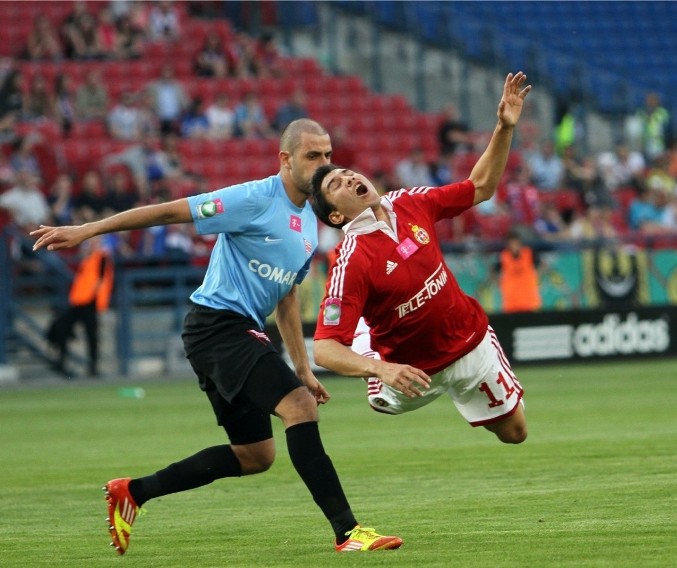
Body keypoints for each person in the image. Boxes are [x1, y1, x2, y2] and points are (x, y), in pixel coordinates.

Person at [30, 118, 402, 555]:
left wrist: (302, 366)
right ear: (285, 159)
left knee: (255, 455)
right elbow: (171, 210)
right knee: (298, 409)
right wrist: (86, 230)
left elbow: (286, 294)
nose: (324, 164)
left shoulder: (310, 216)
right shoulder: (254, 198)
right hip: (216, 325)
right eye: (312, 156)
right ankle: (348, 532)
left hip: (239, 329)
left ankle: (133, 492)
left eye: (327, 154)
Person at [309, 72, 530, 445]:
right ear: (335, 216)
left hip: (468, 341)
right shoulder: (351, 260)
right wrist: (381, 368)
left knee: (515, 434)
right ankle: (370, 342)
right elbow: (325, 349)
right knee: (379, 392)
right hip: (411, 373)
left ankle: (372, 333)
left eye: (348, 174)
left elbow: (480, 187)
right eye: (336, 185)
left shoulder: (409, 201)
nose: (348, 179)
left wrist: (504, 127)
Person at [46, 234, 113, 378]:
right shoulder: (88, 259)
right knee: (62, 328)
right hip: (78, 301)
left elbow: (100, 280)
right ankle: (62, 361)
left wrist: (96, 299)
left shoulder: (101, 257)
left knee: (92, 336)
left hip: (89, 302)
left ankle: (92, 367)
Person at [496, 230, 541, 313]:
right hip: (511, 303)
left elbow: (541, 265)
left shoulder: (529, 253)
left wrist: (536, 277)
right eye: (511, 243)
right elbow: (494, 271)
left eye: (516, 243)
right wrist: (499, 282)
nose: (514, 246)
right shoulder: (503, 257)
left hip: (529, 300)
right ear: (507, 245)